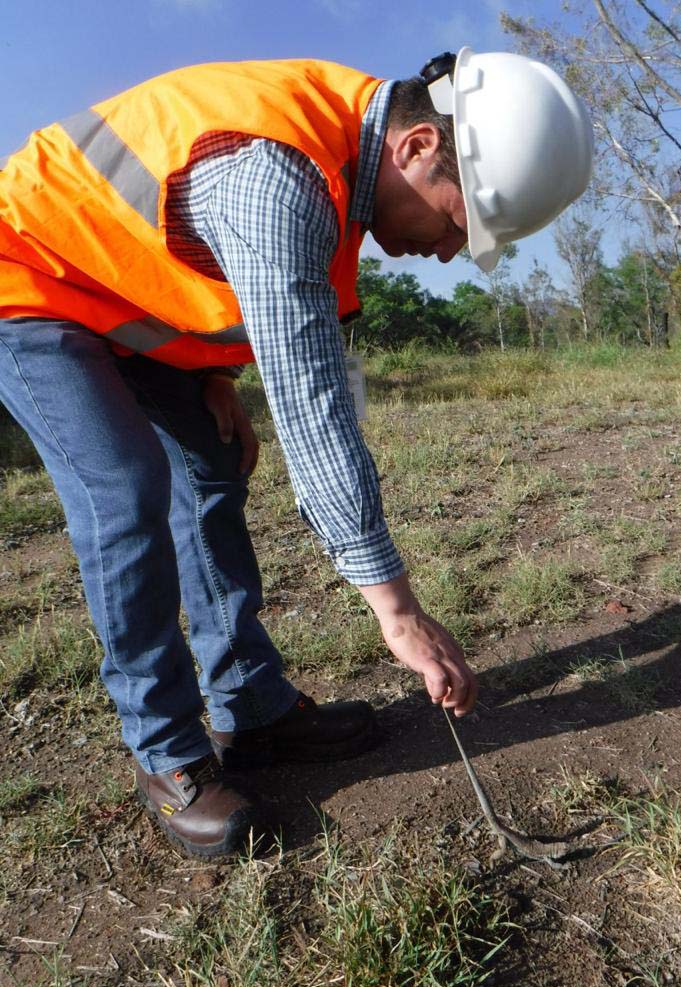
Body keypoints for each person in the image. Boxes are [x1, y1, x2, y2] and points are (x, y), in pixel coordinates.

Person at [0, 49, 592, 859]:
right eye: (460, 223)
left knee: (210, 466)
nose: (454, 250)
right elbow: (313, 410)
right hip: (27, 276)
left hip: (120, 295)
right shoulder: (275, 175)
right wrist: (397, 610)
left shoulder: (337, 167)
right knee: (125, 487)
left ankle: (252, 708)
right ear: (418, 147)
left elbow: (206, 269)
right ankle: (167, 755)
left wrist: (212, 376)